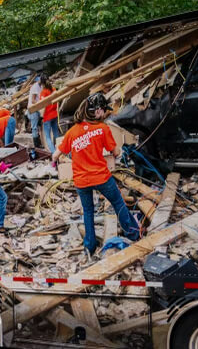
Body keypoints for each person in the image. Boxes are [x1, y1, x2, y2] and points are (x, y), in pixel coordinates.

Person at [51, 92, 140, 257]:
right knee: (118, 203)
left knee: (88, 211)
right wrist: (120, 151)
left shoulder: (72, 132)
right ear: (97, 111)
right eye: (103, 111)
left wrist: (62, 158)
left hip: (81, 181)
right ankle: (133, 235)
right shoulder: (102, 129)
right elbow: (115, 152)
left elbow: (56, 155)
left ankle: (89, 247)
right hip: (101, 177)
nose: (105, 114)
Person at [39, 79, 59, 152]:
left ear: (42, 84)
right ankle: (60, 151)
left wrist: (41, 116)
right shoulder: (53, 90)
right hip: (55, 114)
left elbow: (43, 106)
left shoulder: (43, 93)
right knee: (56, 134)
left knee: (48, 137)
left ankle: (54, 153)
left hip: (47, 116)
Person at [26, 75, 45, 145]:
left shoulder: (40, 86)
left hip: (37, 108)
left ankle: (39, 142)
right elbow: (33, 100)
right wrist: (41, 104)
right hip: (33, 109)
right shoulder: (35, 87)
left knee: (37, 126)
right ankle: (37, 144)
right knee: (34, 127)